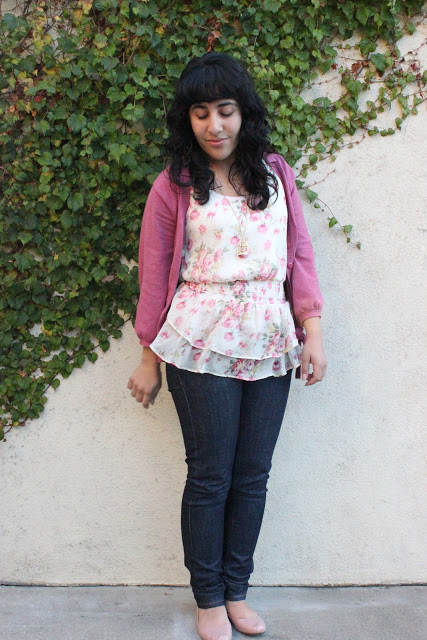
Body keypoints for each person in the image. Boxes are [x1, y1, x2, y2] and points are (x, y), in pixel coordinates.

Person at [127, 52, 327, 640]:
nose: (214, 125)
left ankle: (237, 590)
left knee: (253, 474)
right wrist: (148, 356)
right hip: (199, 336)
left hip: (270, 336)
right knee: (211, 473)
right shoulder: (175, 184)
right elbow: (155, 268)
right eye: (201, 113)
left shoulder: (275, 173)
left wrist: (311, 330)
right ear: (187, 120)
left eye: (225, 110)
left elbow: (300, 255)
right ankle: (208, 597)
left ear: (244, 113)